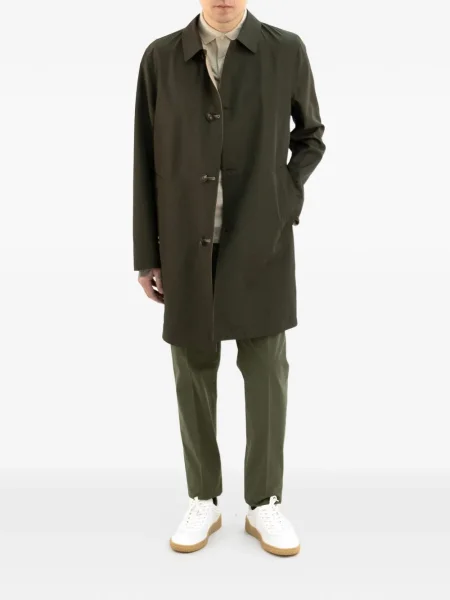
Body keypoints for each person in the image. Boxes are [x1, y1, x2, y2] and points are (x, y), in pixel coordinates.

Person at [133, 0, 325, 556]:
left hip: (260, 241)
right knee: (193, 372)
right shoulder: (161, 58)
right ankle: (203, 498)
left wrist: (282, 198)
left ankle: (264, 503)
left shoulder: (285, 50)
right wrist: (147, 253)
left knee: (266, 372)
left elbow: (311, 135)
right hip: (184, 245)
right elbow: (144, 156)